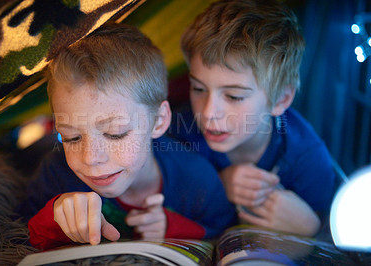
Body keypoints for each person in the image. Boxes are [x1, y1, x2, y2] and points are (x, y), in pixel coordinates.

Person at [19, 22, 237, 251]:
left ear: (159, 120)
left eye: (116, 133)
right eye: (72, 138)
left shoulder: (197, 180)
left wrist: (175, 230)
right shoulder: (55, 175)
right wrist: (53, 222)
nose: (91, 158)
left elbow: (228, 236)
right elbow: (13, 239)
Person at [168, 0, 337, 237]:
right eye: (198, 89)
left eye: (234, 96)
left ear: (280, 100)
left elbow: (336, 245)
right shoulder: (178, 133)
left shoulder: (308, 161)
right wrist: (215, 184)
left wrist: (309, 229)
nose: (207, 112)